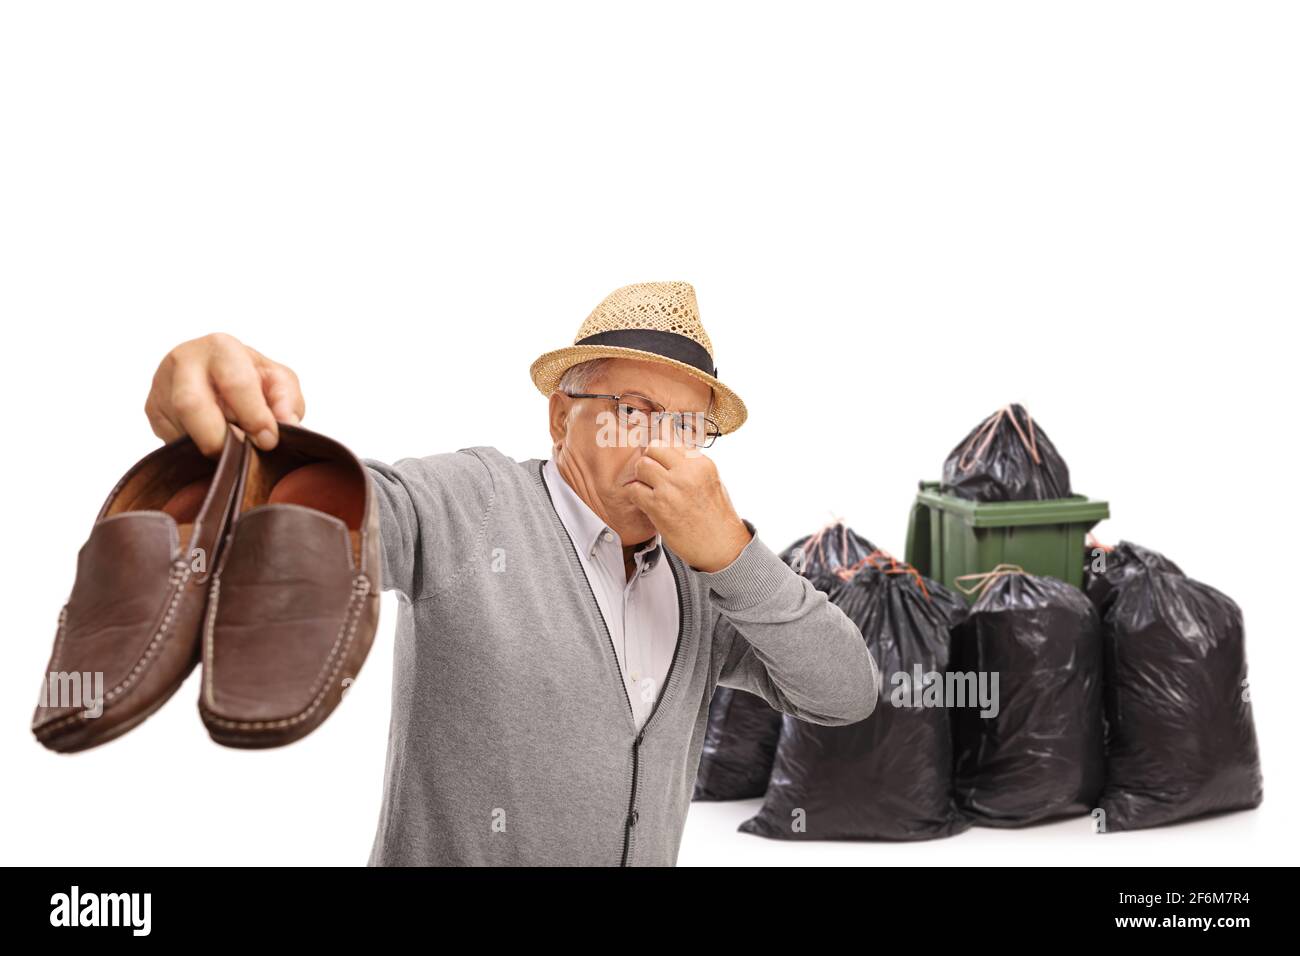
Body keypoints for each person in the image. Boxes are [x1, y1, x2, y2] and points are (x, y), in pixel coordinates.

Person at [144, 280, 878, 865]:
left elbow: (845, 691)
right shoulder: (474, 502)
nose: (666, 447)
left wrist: (732, 554)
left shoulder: (706, 573)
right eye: (633, 410)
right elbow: (328, 523)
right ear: (562, 418)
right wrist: (235, 456)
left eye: (688, 426)